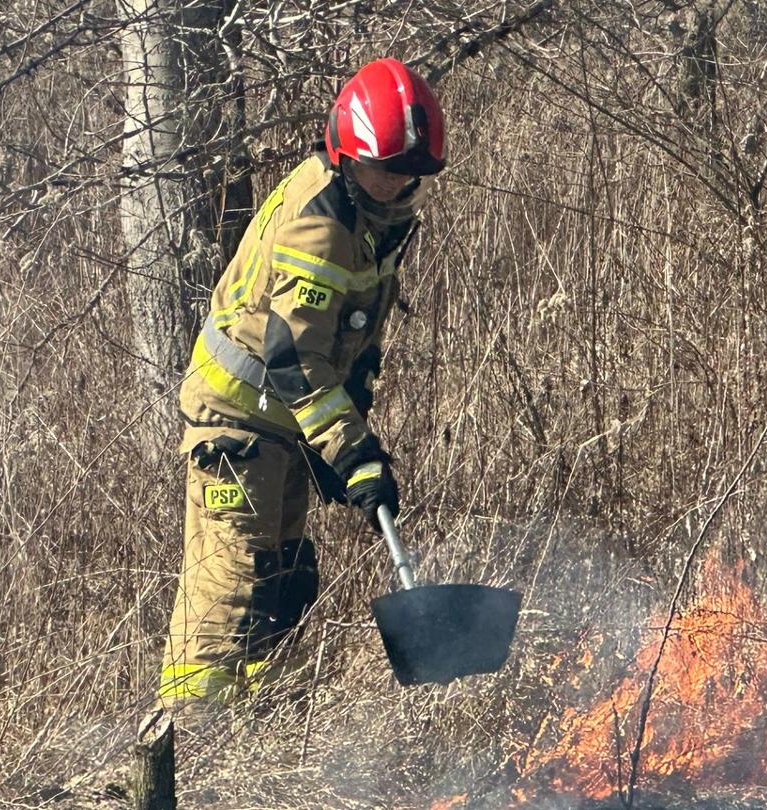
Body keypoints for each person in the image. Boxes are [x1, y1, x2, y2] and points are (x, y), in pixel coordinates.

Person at [157, 57, 444, 705]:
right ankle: (189, 741)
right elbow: (293, 356)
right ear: (346, 152)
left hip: (283, 419)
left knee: (284, 582)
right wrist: (350, 451)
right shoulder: (319, 228)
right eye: (384, 170)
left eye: (409, 174)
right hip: (236, 422)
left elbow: (351, 342)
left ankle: (264, 736)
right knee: (235, 588)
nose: (396, 185)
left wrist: (347, 433)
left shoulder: (373, 218)